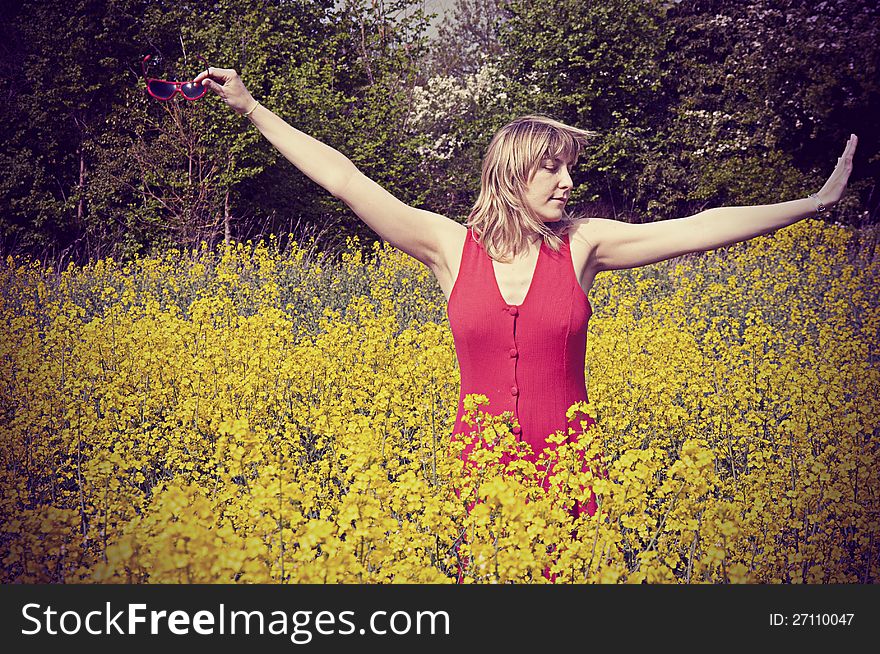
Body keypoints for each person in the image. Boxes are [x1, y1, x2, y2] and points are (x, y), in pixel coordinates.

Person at [193, 66, 858, 581]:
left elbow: (696, 229)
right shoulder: (449, 247)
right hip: (482, 467)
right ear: (512, 173)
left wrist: (813, 201)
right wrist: (253, 110)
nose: (567, 180)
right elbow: (344, 178)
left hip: (573, 471)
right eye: (552, 166)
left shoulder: (585, 245)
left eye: (570, 166)